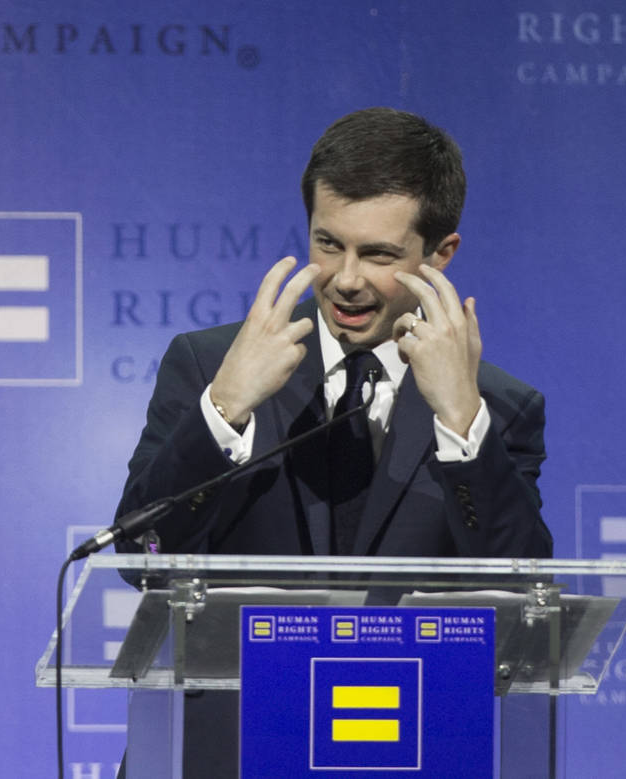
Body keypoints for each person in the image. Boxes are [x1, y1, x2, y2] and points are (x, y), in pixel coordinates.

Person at [113, 107, 551, 777]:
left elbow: (525, 609)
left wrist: (461, 419)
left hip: (406, 753)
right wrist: (226, 407)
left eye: (378, 254)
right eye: (327, 244)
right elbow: (143, 557)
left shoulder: (498, 408)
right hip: (222, 755)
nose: (345, 279)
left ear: (440, 255)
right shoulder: (211, 366)